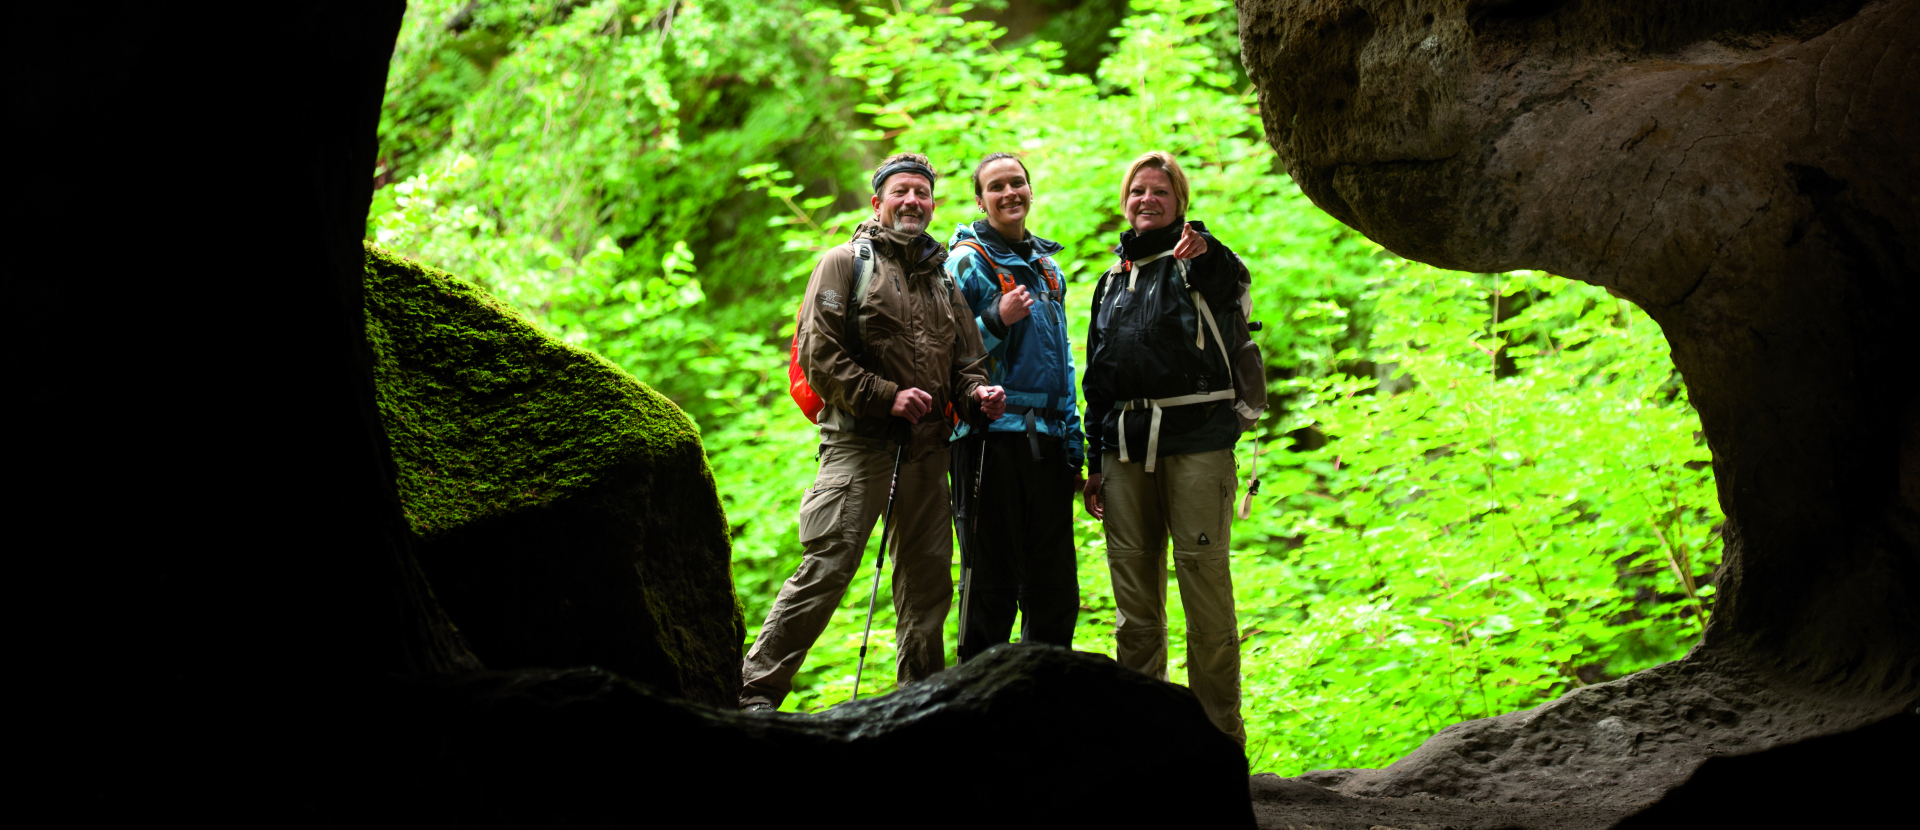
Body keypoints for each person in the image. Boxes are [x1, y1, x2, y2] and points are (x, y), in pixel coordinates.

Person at [741, 153, 1007, 711]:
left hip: (928, 453)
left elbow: (968, 363)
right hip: (857, 447)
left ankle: (920, 705)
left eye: (921, 193)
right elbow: (818, 355)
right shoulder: (843, 263)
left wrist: (978, 395)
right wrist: (887, 396)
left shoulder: (942, 279)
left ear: (933, 204)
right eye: (901, 192)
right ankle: (754, 692)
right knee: (828, 567)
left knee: (928, 585)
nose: (912, 201)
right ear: (877, 202)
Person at [1081, 150, 1247, 743]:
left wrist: (1205, 250)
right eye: (1137, 191)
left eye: (1160, 191)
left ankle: (1219, 743)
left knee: (1205, 592)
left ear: (1180, 202)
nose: (1147, 200)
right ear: (1124, 202)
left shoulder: (1199, 261)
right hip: (1123, 450)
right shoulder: (1111, 281)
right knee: (1134, 608)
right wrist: (1093, 461)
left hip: (1196, 443)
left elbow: (1228, 281)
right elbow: (1097, 380)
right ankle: (1144, 746)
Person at [944, 152, 1082, 661]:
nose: (1009, 193)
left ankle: (1043, 696)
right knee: (991, 587)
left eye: (1017, 183)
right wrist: (995, 321)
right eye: (996, 186)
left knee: (1055, 591)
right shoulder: (964, 262)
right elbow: (944, 357)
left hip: (1047, 442)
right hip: (988, 438)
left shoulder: (1048, 269)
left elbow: (1063, 360)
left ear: (1030, 190)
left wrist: (1073, 440)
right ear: (980, 200)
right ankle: (979, 696)